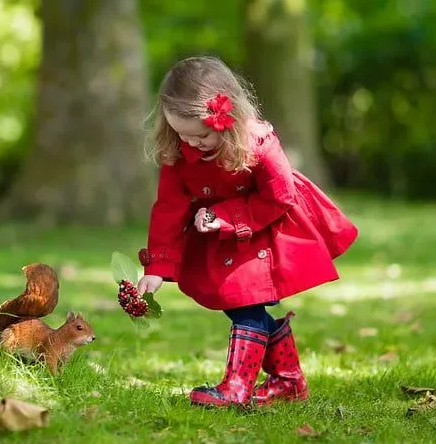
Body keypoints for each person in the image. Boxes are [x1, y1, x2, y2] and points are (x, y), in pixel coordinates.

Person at [135, 56, 358, 408]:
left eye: (201, 135)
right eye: (181, 134)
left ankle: (237, 386)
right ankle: (289, 380)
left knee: (245, 303)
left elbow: (280, 196)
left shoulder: (258, 143)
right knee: (237, 304)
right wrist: (158, 268)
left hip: (263, 227)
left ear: (228, 119)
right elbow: (168, 208)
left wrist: (225, 215)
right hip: (219, 237)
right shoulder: (179, 152)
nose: (191, 143)